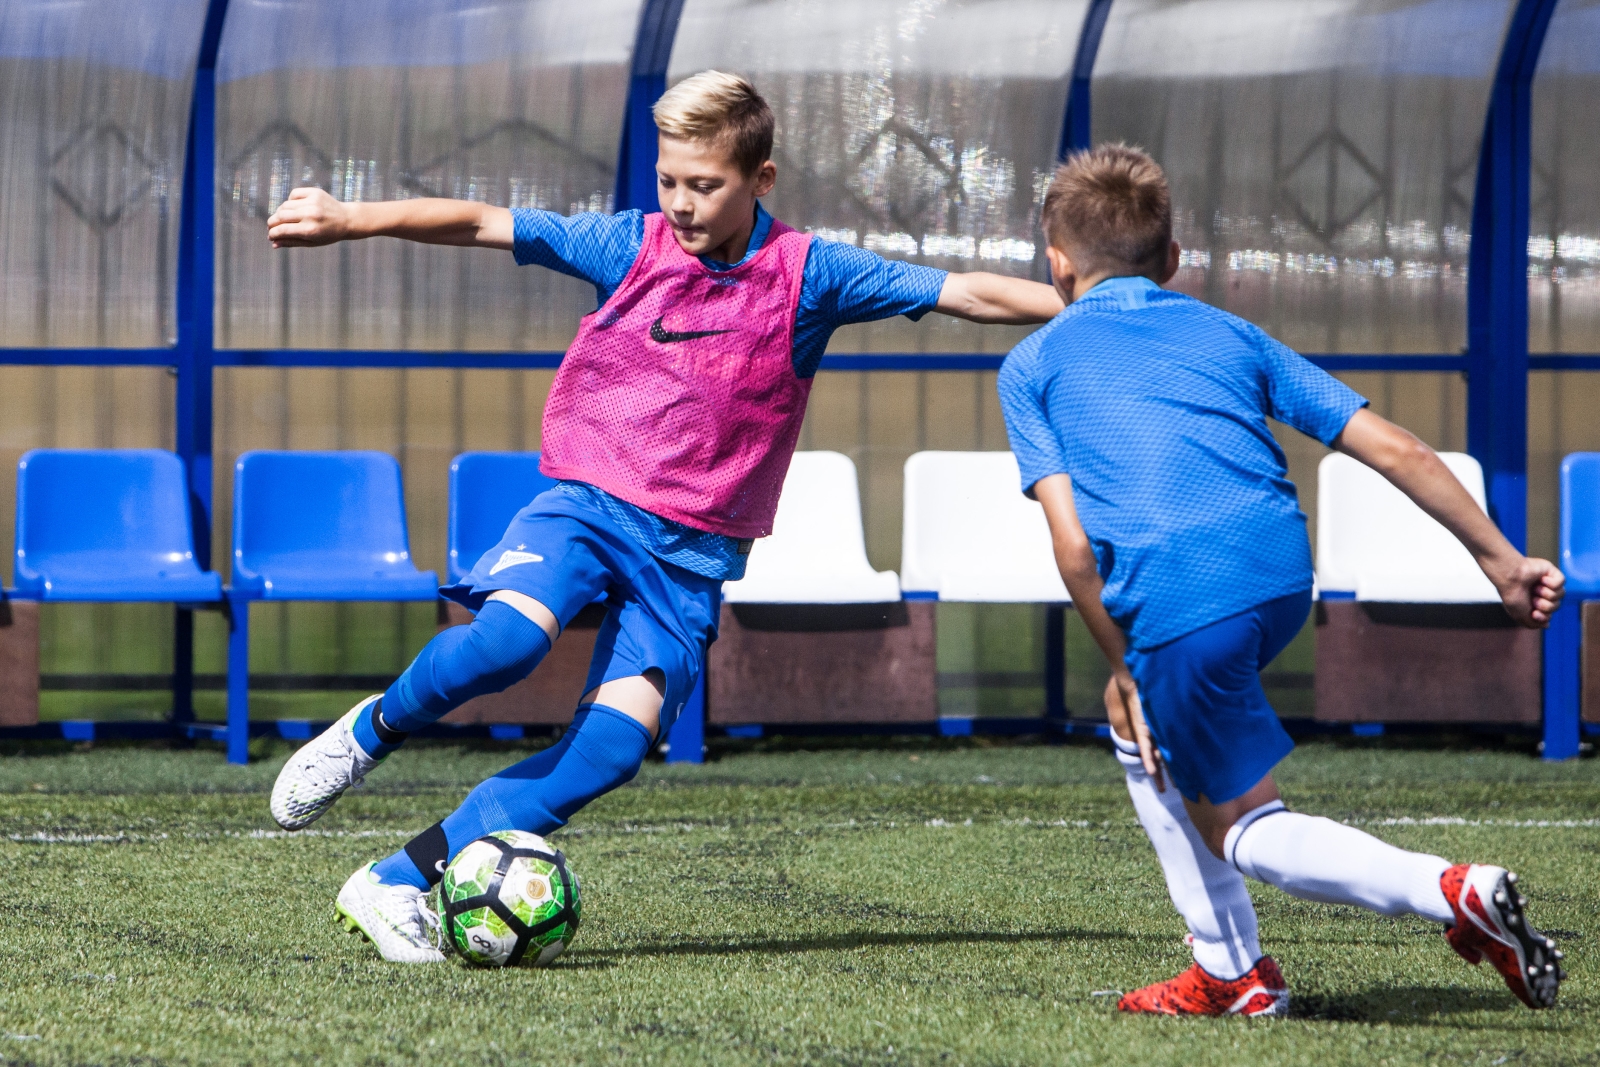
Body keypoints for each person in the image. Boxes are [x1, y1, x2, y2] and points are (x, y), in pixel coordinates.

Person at [263, 70, 1065, 962]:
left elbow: (966, 293)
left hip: (688, 559)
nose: (681, 204)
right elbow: (486, 223)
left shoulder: (811, 273)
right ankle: (371, 730)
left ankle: (394, 880)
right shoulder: (629, 247)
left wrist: (1094, 310)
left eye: (705, 184)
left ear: (760, 179)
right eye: (668, 180)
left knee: (608, 754)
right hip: (588, 503)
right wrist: (349, 218)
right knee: (508, 642)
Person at [999, 143, 1568, 1016]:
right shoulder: (1228, 330)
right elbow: (1396, 447)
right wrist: (1501, 557)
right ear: (1175, 261)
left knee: (1243, 827)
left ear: (1057, 263)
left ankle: (1450, 891)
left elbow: (1074, 549)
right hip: (1275, 577)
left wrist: (1124, 661)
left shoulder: (1033, 363)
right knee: (1137, 722)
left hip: (1181, 597)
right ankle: (1228, 968)